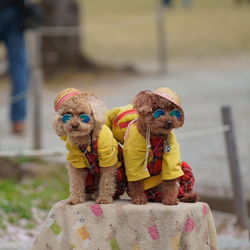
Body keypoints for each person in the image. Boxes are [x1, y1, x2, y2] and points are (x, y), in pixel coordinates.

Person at [0, 0, 29, 134]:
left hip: (12, 11)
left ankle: (18, 120)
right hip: (12, 10)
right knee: (19, 67)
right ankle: (18, 121)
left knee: (19, 68)